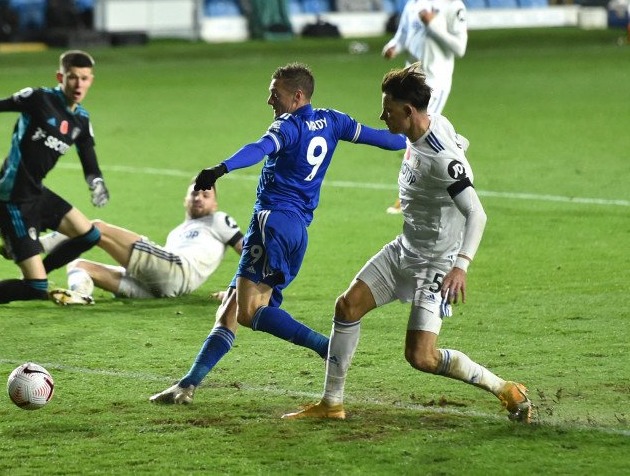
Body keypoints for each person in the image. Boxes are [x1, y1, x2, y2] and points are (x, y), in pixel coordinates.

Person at [282, 64, 532, 423]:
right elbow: (461, 143)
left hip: (437, 264)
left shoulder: (442, 161)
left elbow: (477, 213)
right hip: (404, 248)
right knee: (346, 306)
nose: (382, 116)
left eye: (388, 110)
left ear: (409, 112)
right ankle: (331, 403)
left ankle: (505, 389)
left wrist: (460, 266)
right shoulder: (434, 125)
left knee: (421, 357)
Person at [149, 63, 407, 405]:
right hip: (296, 228)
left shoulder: (288, 126)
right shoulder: (334, 120)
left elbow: (259, 148)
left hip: (271, 224)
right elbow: (388, 140)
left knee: (248, 311)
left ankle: (327, 348)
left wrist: (220, 168)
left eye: (276, 93)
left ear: (297, 96)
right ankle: (187, 385)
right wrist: (422, 136)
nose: (270, 100)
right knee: (230, 309)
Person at [0, 50, 110, 306]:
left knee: (90, 235)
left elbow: (89, 160)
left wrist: (96, 183)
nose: (79, 84)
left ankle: (30, 259)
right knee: (35, 288)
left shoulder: (81, 119)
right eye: (73, 77)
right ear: (61, 76)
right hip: (10, 198)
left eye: (85, 78)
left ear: (91, 80)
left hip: (36, 192)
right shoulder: (38, 98)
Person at [42, 180, 243, 303]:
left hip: (179, 269)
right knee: (78, 265)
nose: (199, 197)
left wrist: (237, 292)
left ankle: (39, 245)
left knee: (98, 228)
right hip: (160, 288)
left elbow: (246, 251)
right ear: (185, 200)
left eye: (205, 195)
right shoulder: (176, 232)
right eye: (194, 193)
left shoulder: (219, 219)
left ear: (214, 204)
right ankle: (79, 296)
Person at [382, 0, 467, 214]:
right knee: (423, 135)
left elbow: (460, 47)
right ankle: (457, 154)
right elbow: (402, 37)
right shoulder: (413, 5)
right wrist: (393, 47)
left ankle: (410, 193)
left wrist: (434, 26)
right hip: (411, 80)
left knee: (418, 135)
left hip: (436, 82)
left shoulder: (454, 6)